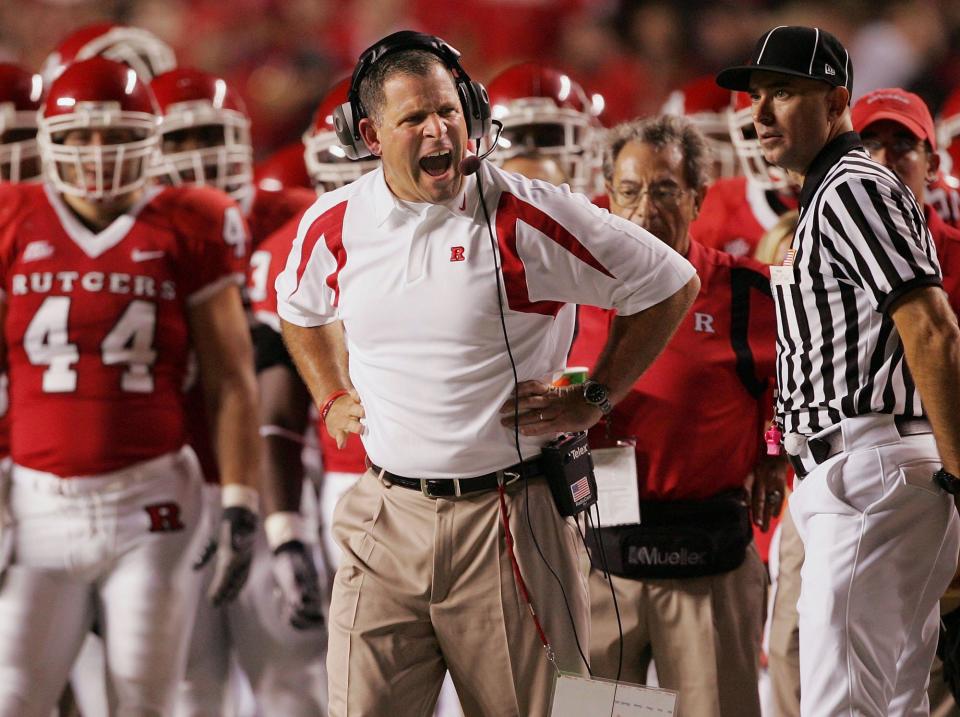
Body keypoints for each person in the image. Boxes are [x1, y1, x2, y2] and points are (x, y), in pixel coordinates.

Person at [277, 30, 699, 716]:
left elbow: (672, 281)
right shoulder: (334, 220)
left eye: (448, 109)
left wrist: (594, 397)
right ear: (370, 134)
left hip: (509, 517)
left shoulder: (525, 214)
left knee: (559, 711)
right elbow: (298, 307)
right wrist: (331, 393)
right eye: (414, 117)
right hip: (384, 511)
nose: (440, 128)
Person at [0, 57, 260, 717]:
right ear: (48, 144)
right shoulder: (13, 216)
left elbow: (231, 377)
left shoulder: (191, 219)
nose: (98, 154)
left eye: (114, 136)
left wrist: (240, 498)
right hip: (34, 504)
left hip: (150, 503)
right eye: (81, 137)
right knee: (13, 695)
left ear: (147, 139)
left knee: (141, 699)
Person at [717, 26, 960, 716]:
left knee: (838, 706)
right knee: (893, 704)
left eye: (783, 93)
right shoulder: (835, 188)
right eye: (756, 96)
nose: (759, 113)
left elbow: (933, 329)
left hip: (869, 472)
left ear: (835, 101)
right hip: (869, 473)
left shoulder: (851, 186)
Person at [583, 113, 782, 717]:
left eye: (666, 189)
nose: (646, 207)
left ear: (698, 198)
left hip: (707, 567)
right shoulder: (568, 292)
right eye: (631, 190)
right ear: (607, 198)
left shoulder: (748, 293)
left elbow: (790, 396)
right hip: (596, 567)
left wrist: (772, 457)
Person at [145, 65, 327, 716]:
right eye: (180, 140)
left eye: (210, 135)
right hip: (175, 486)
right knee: (188, 692)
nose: (199, 156)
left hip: (283, 476)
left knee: (297, 686)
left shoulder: (296, 217)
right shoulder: (136, 236)